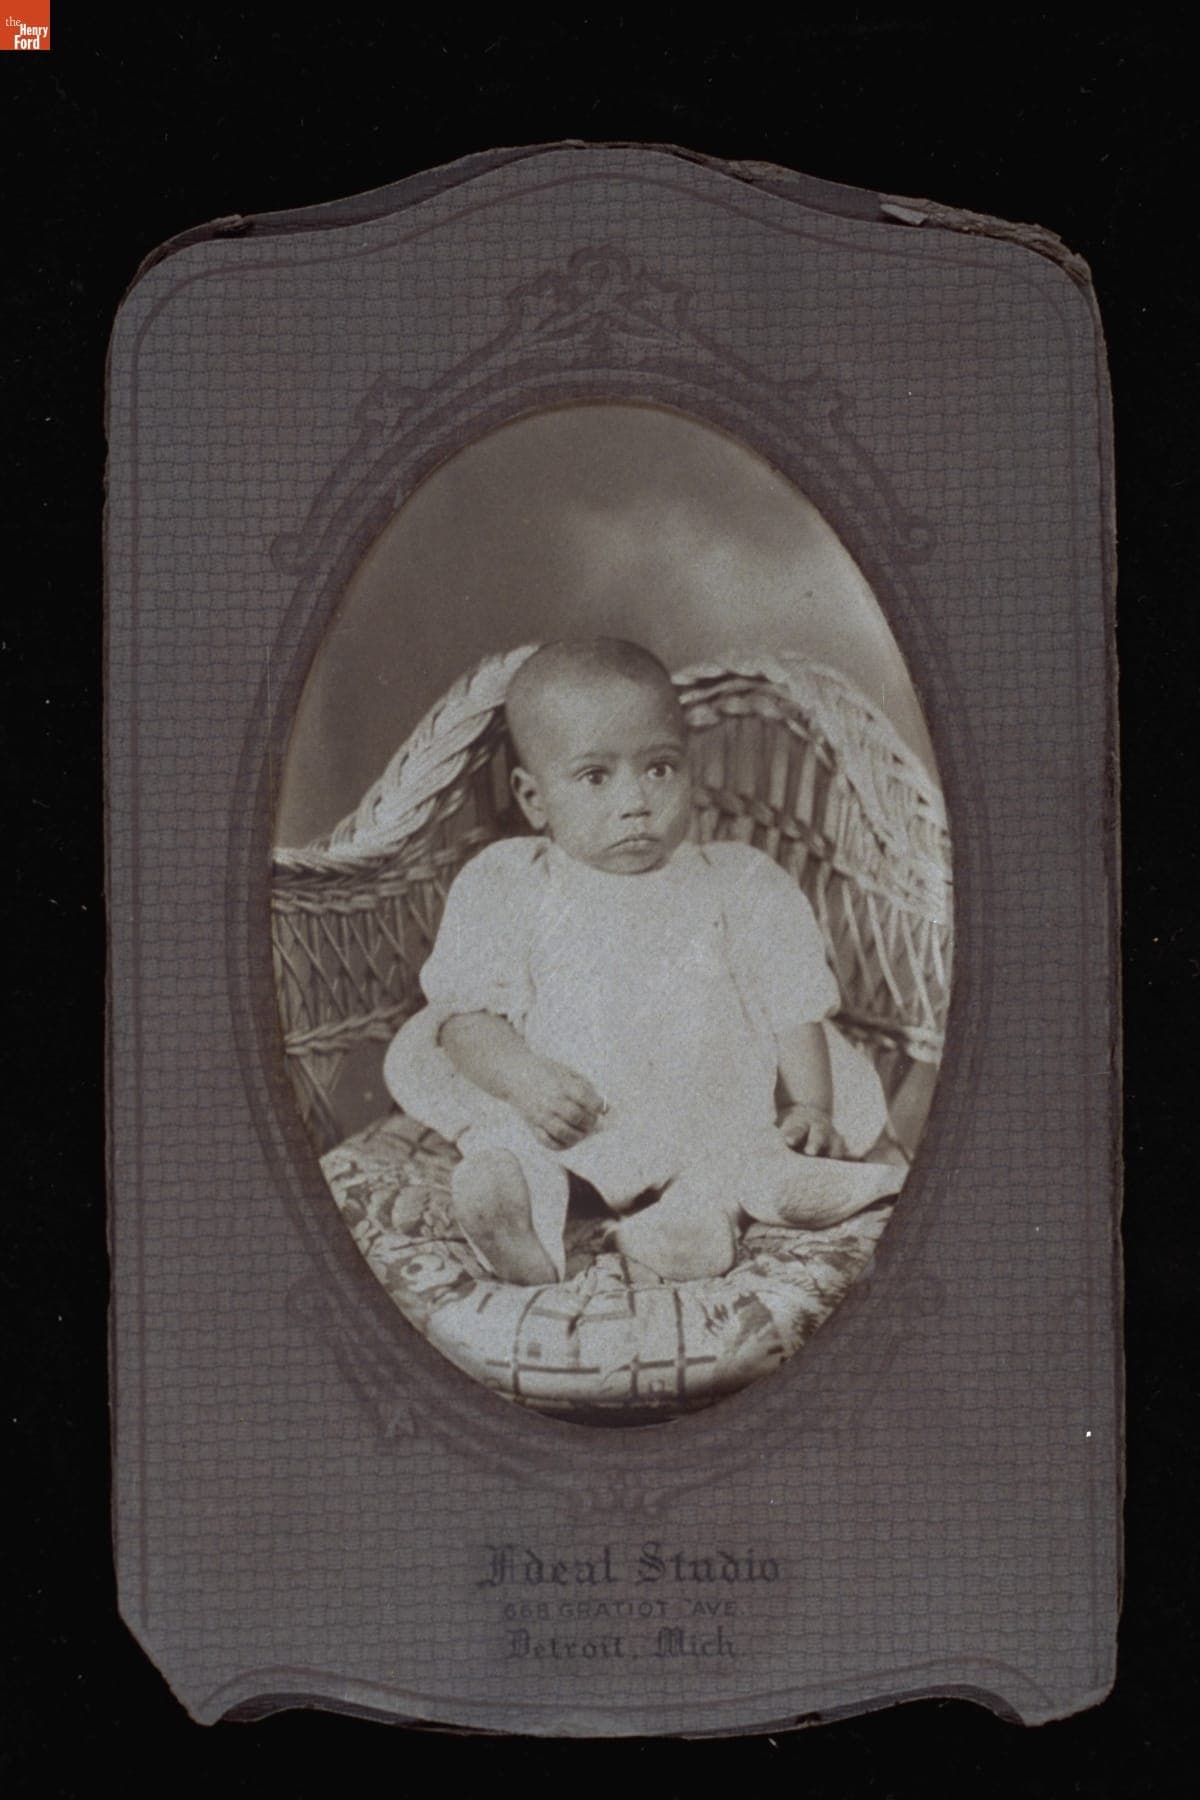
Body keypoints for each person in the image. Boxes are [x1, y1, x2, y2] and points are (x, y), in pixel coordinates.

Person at [384, 639, 905, 1286]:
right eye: (596, 777)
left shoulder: (736, 882)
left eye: (659, 769)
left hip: (705, 1110)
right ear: (534, 798)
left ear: (689, 769)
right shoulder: (511, 885)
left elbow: (792, 1003)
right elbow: (466, 1020)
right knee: (512, 1143)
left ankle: (700, 1221)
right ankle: (526, 1225)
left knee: (745, 1150)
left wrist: (814, 1108)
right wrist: (524, 1079)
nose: (636, 801)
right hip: (564, 1115)